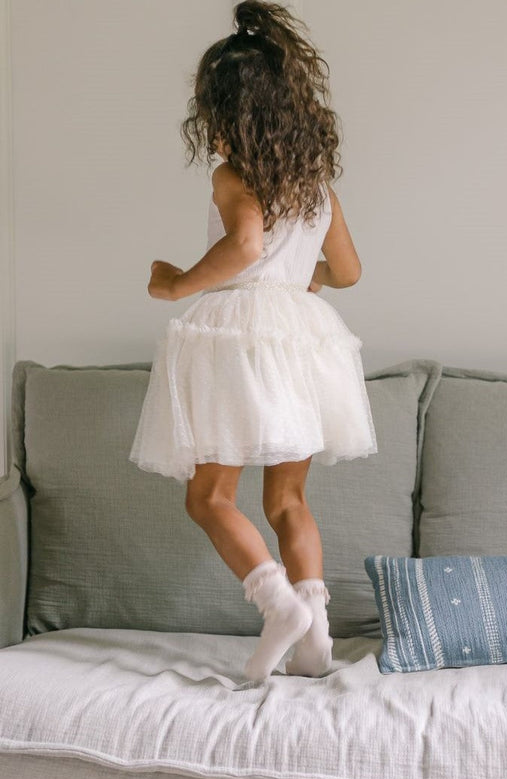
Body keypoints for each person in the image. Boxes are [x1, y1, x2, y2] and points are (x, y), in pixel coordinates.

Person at [128, 0, 378, 683]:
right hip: (300, 338)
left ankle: (278, 606)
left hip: (239, 336)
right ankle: (315, 634)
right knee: (288, 500)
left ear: (223, 111)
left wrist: (178, 283)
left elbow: (244, 245)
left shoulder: (234, 175)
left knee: (208, 497)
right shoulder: (313, 183)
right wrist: (302, 276)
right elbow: (348, 272)